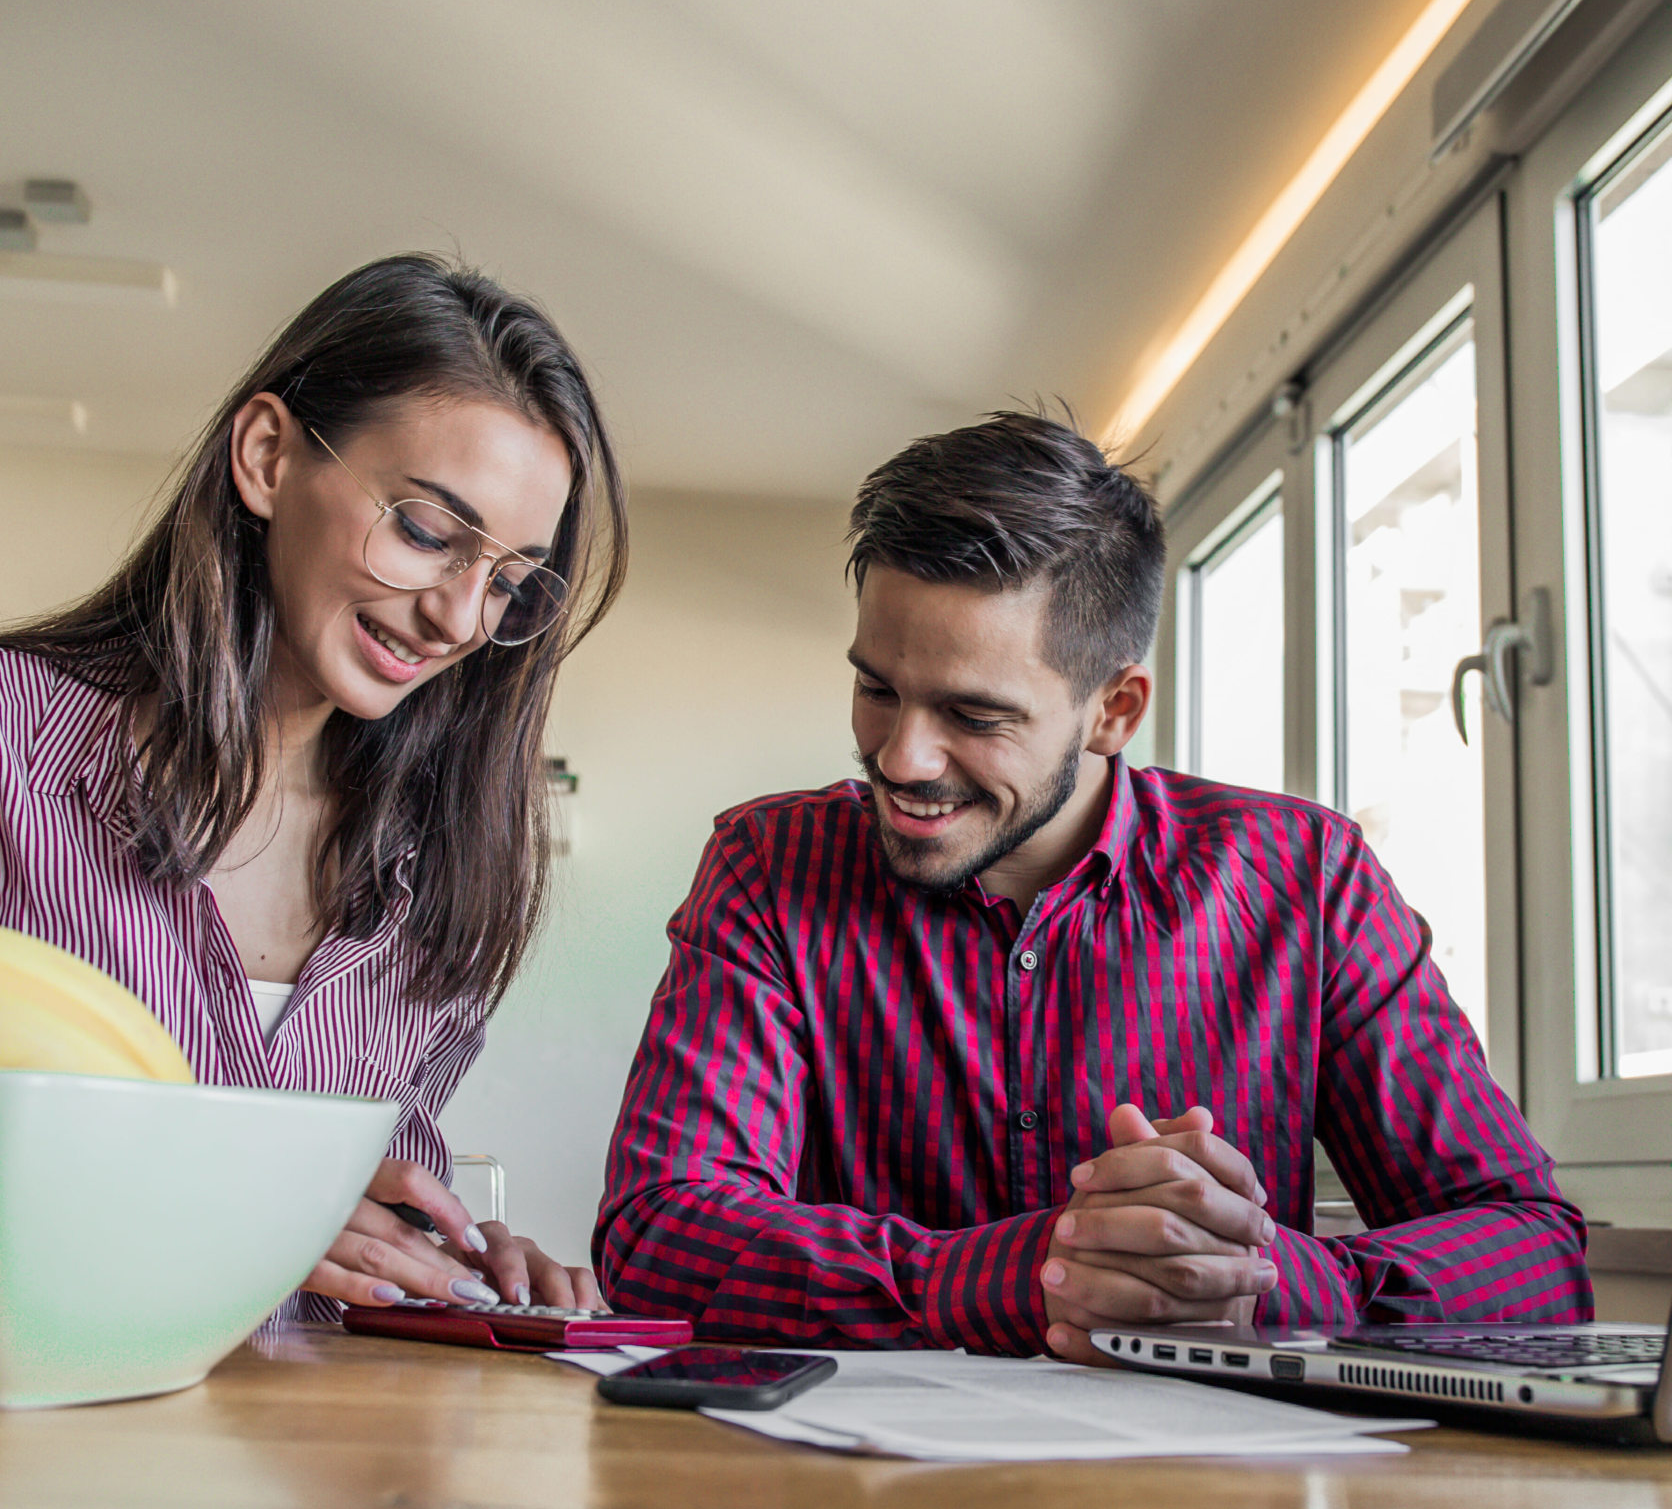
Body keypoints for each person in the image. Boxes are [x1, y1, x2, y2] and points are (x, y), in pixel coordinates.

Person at [595, 410, 1587, 1360]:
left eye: (973, 716)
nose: (900, 758)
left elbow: (1535, 1253)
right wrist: (1008, 1273)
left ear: (1112, 709)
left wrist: (1260, 1276)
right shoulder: (770, 868)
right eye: (876, 688)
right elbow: (657, 1235)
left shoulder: (1307, 881)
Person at [0, 255, 626, 1321]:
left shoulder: (441, 856)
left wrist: (457, 1263)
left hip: (311, 1462)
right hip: (7, 1442)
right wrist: (237, 1200)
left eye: (506, 581)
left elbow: (350, 1228)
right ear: (267, 457)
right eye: (424, 532)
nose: (459, 619)